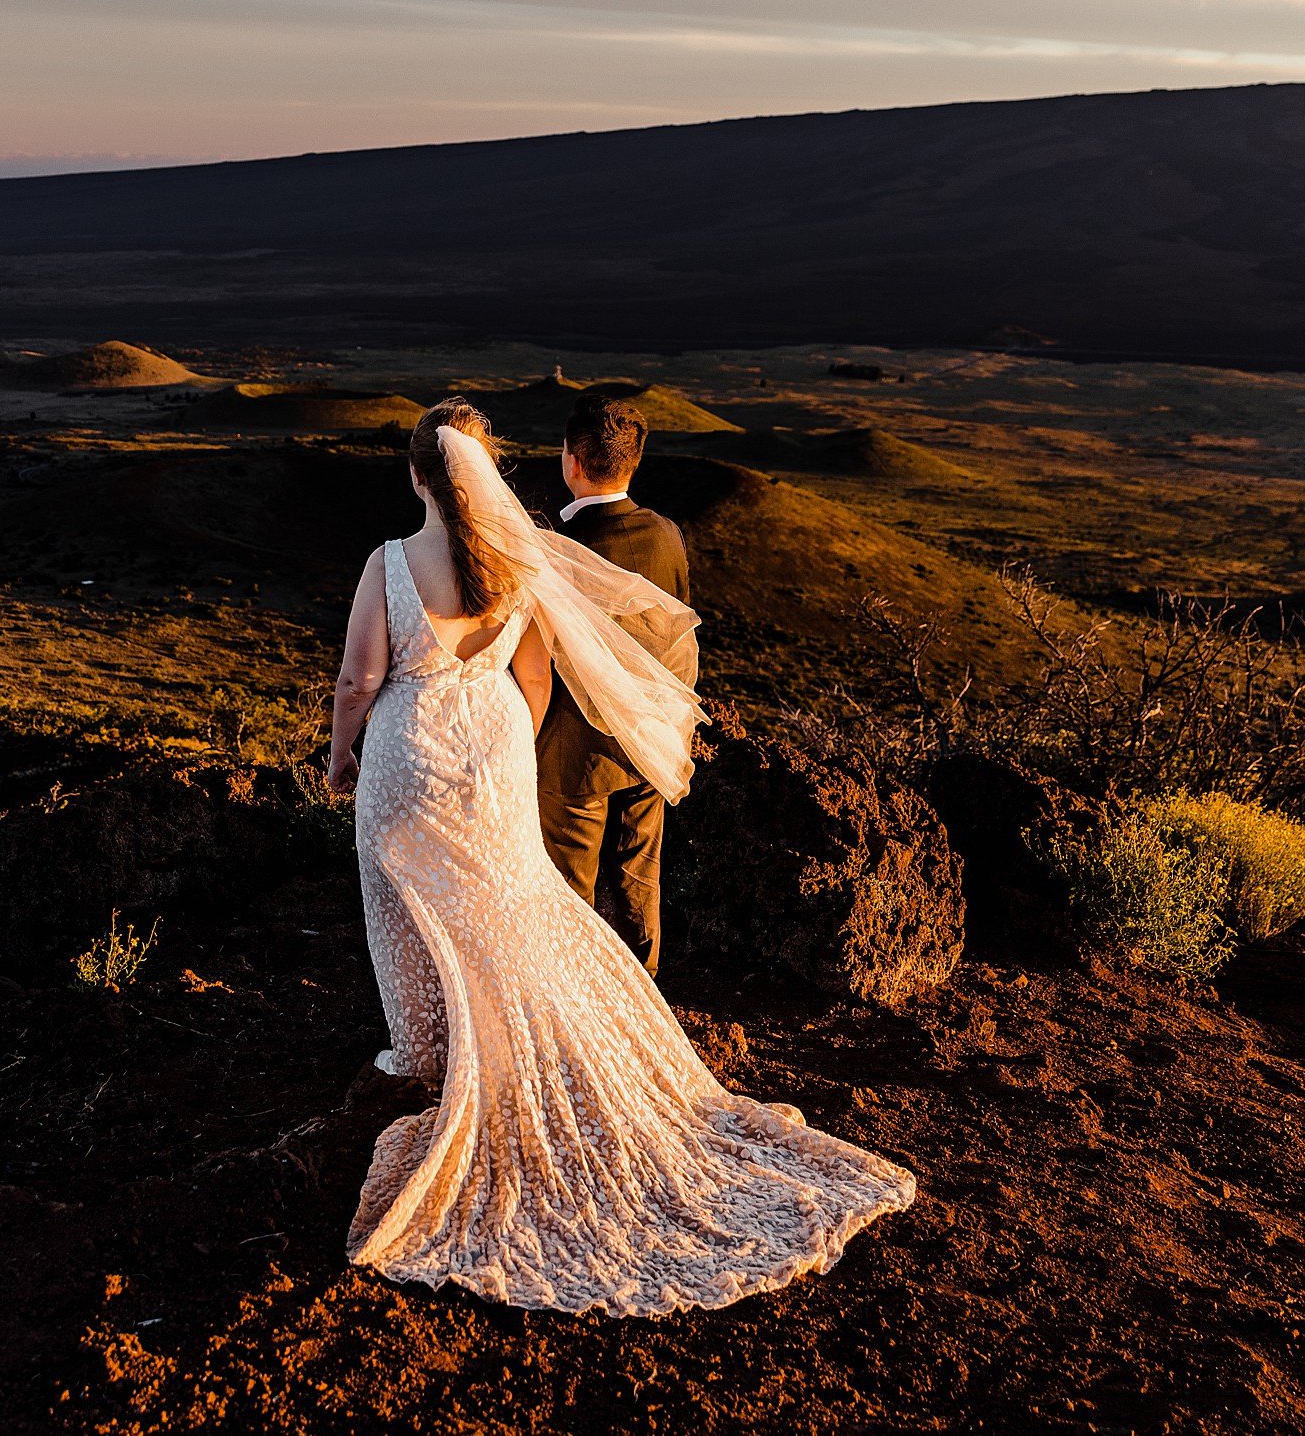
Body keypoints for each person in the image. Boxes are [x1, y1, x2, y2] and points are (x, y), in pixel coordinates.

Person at [325, 397, 914, 1317]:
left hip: (409, 753)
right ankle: (523, 1031)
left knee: (403, 895)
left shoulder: (390, 564)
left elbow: (361, 677)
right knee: (512, 903)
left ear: (414, 476)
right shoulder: (517, 565)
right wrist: (506, 740)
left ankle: (430, 1049)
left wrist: (339, 754)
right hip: (494, 745)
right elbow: (534, 675)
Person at [537, 391, 687, 976]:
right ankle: (643, 1005)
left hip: (572, 752)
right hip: (651, 742)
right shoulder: (667, 536)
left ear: (571, 460)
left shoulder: (554, 550)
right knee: (637, 886)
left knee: (568, 892)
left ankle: (579, 1016)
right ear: (634, 462)